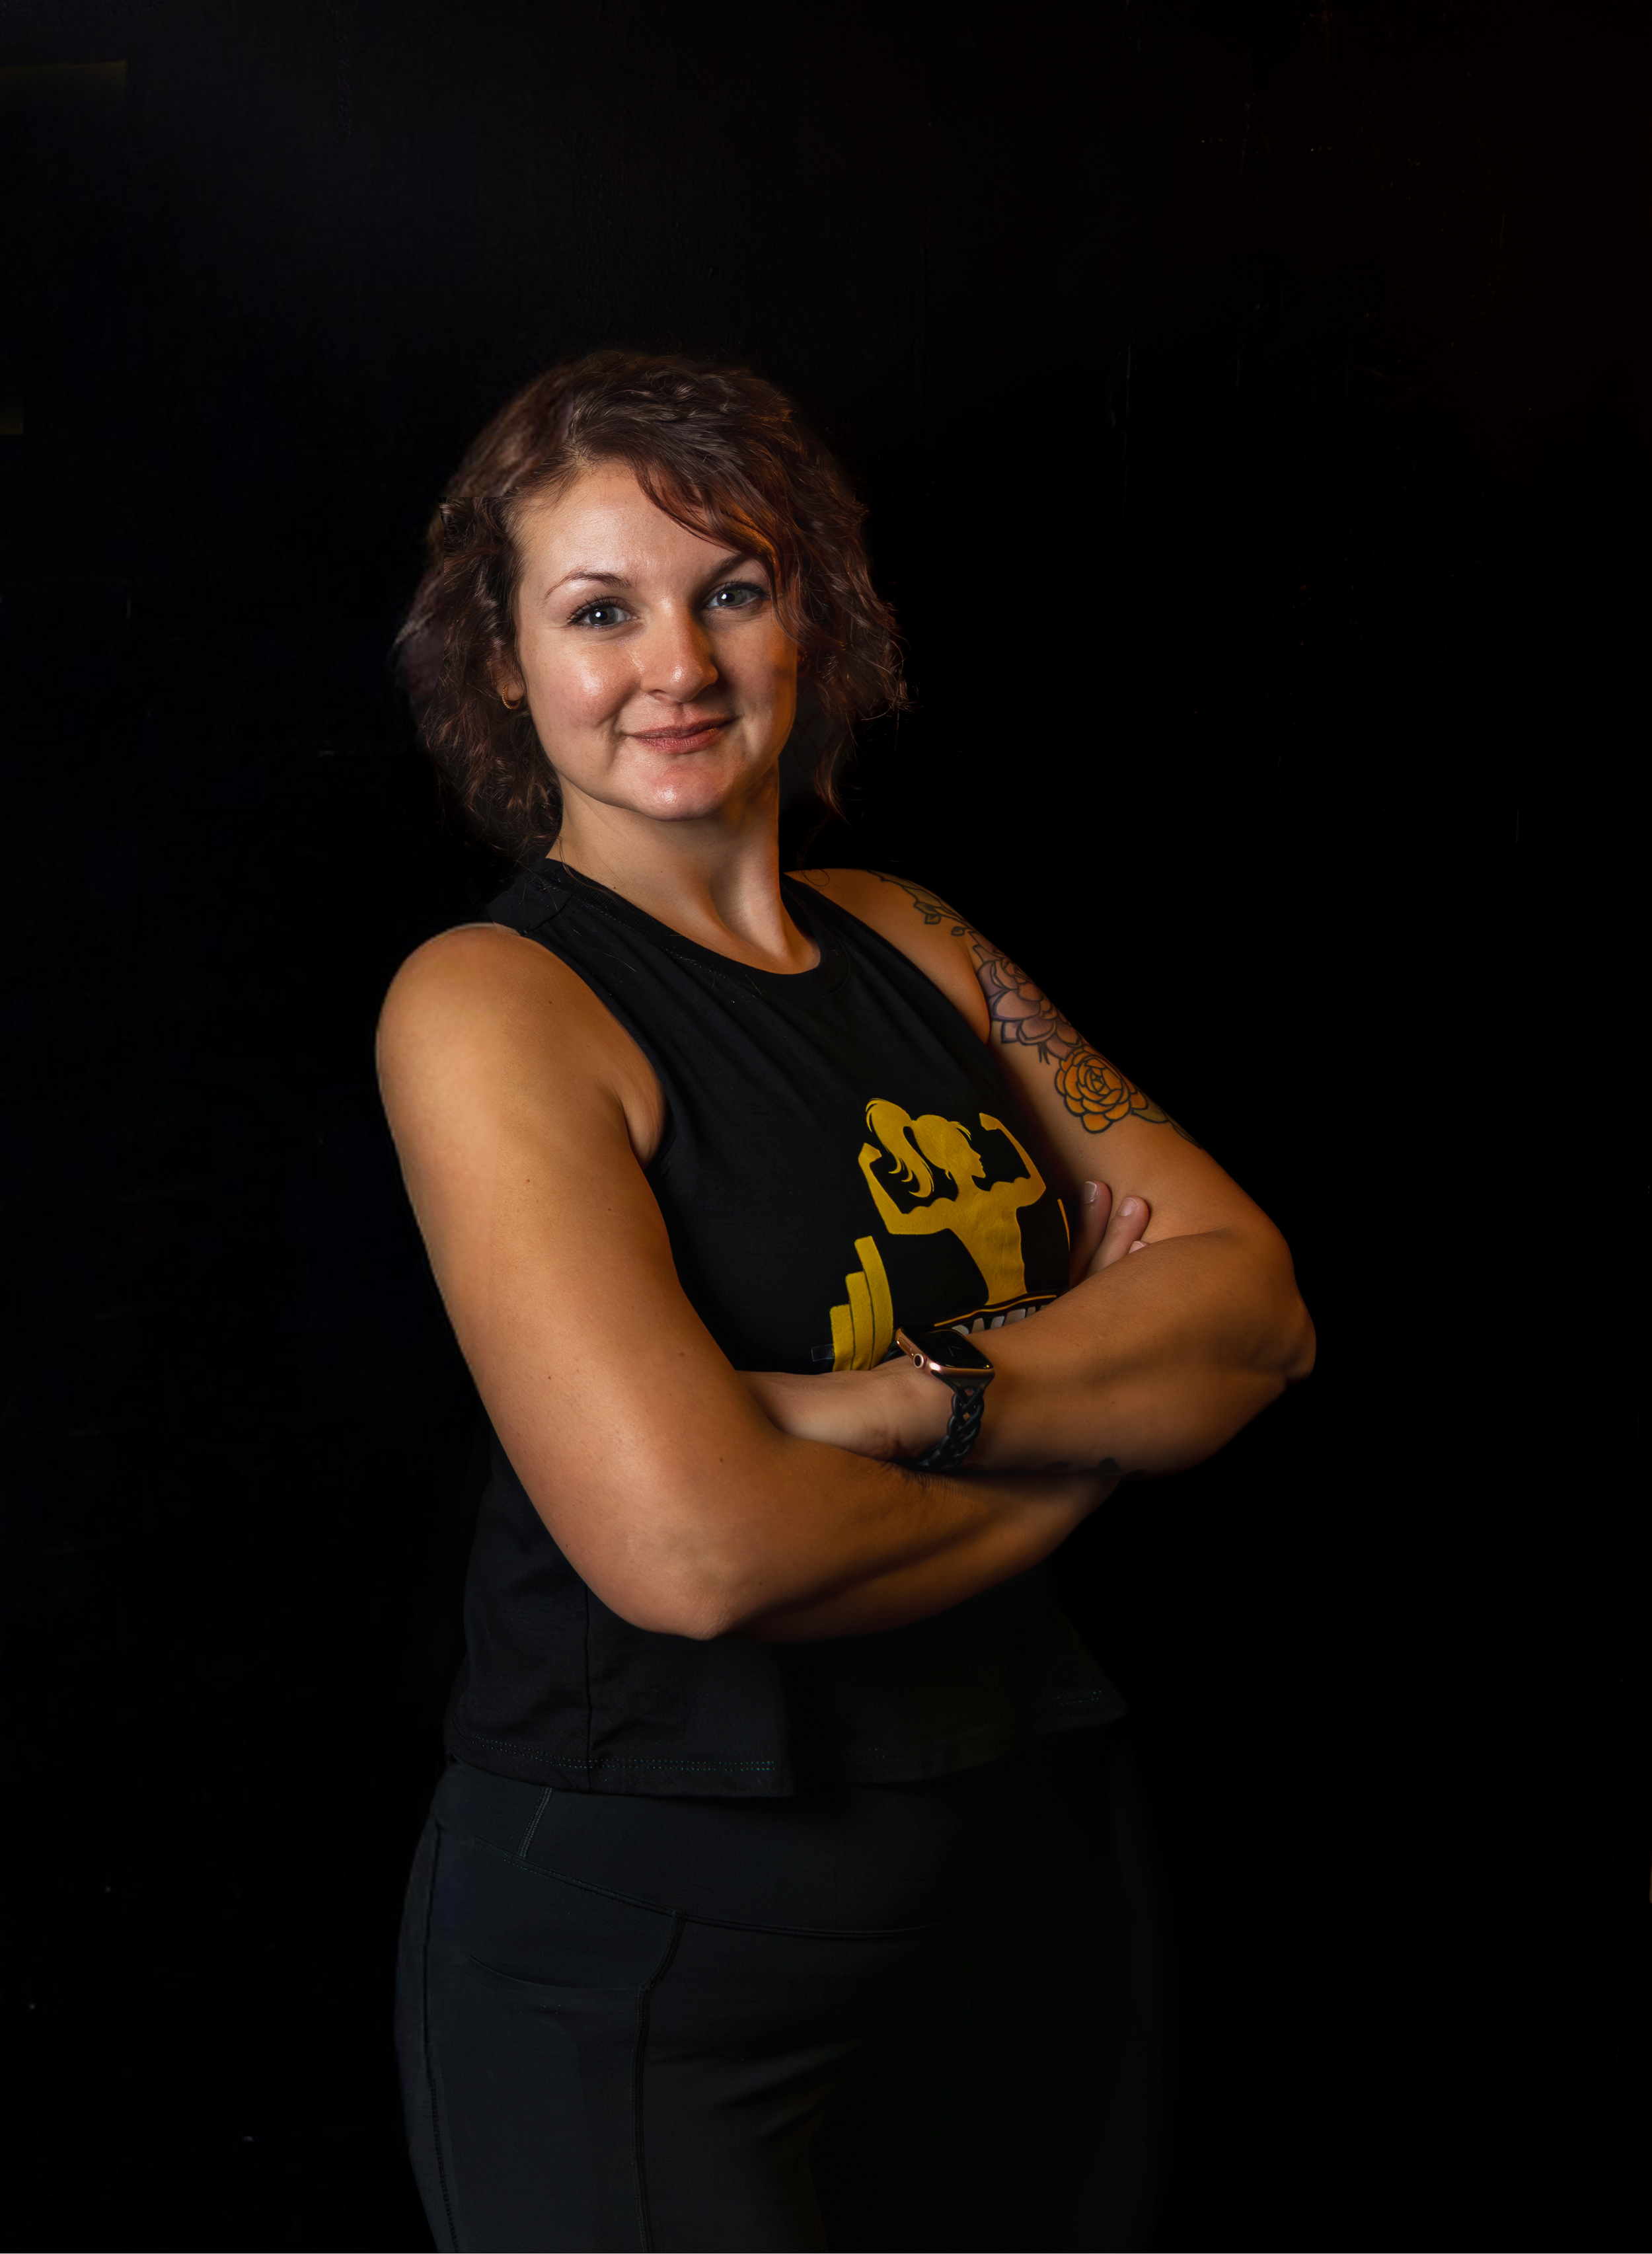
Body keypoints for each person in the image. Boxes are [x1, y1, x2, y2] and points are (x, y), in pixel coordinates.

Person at [379, 350, 1315, 2253]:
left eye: (731, 589)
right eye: (597, 610)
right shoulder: (495, 1005)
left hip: (1021, 1883)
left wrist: (899, 1401)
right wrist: (1092, 1453)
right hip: (650, 1940)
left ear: (811, 609)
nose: (677, 667)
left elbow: (1255, 1309)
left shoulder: (921, 942)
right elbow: (691, 1554)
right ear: (499, 659)